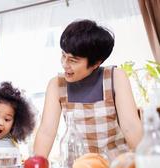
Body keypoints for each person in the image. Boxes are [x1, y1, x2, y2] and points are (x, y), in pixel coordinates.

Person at [34, 19, 143, 160]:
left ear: (96, 63)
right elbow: (46, 132)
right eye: (63, 55)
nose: (65, 64)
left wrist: (149, 166)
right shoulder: (56, 85)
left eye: (73, 60)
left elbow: (131, 127)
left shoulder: (115, 77)